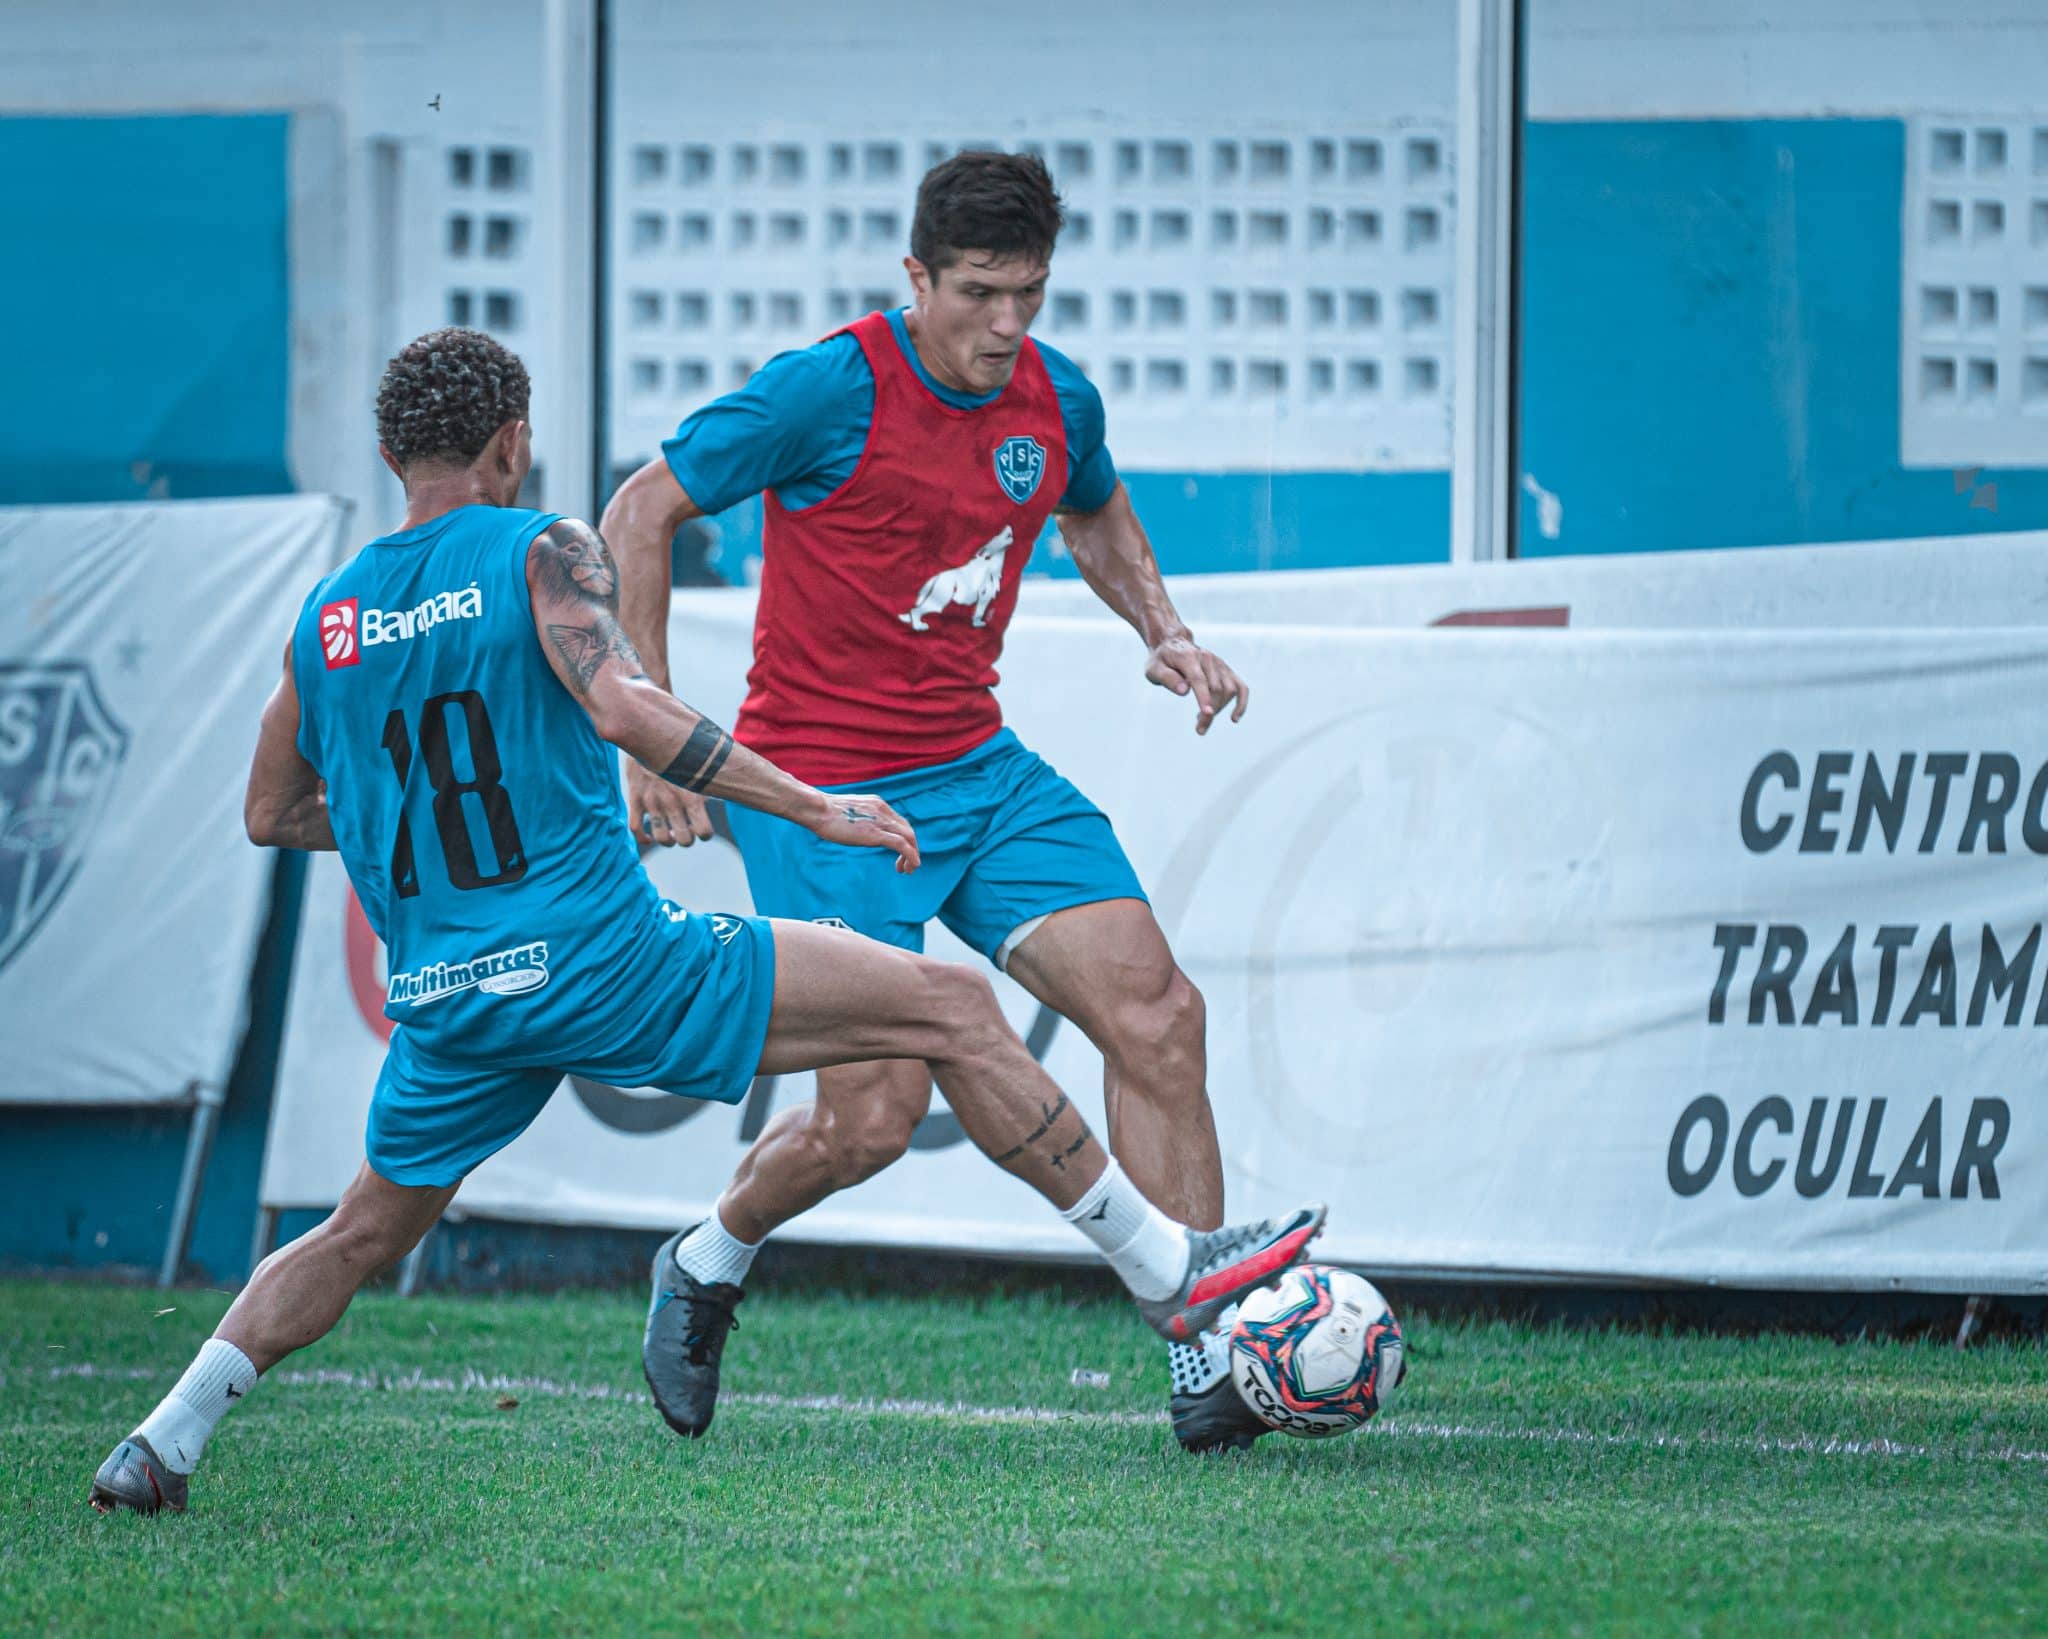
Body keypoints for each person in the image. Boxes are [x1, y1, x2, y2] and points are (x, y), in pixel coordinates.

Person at [86, 329, 1322, 1515]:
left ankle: (164, 1436)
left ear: (391, 457)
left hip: (450, 1001)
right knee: (950, 1008)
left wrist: (410, 831)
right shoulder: (539, 550)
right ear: (513, 444)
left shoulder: (329, 620)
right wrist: (814, 809)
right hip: (608, 964)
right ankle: (1173, 1272)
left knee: (357, 1231)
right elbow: (627, 709)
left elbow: (272, 811)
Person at [600, 151, 1271, 1453]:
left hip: (978, 767)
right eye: (978, 293)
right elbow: (639, 510)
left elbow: (1098, 511)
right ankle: (704, 1255)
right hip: (826, 793)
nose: (1006, 325)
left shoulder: (1051, 393)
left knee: (1161, 1014)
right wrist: (656, 742)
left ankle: (1212, 1348)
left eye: (1029, 292)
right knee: (874, 1118)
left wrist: (1164, 626)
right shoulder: (827, 387)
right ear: (916, 278)